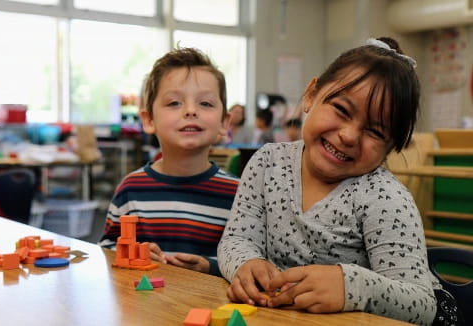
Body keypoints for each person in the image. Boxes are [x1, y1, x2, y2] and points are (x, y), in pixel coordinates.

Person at [217, 37, 462, 325]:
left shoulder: (385, 198)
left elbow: (422, 303)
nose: (349, 135)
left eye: (375, 131)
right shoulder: (267, 162)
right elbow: (238, 238)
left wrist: (352, 287)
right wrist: (246, 263)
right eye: (342, 110)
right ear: (311, 94)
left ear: (392, 147)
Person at [99, 47, 239, 276]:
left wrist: (209, 266)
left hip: (211, 308)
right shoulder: (131, 190)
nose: (191, 110)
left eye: (206, 103)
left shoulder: (238, 195)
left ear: (224, 122)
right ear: (149, 120)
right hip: (144, 308)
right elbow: (106, 252)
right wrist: (136, 254)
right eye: (174, 103)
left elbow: (247, 262)